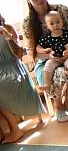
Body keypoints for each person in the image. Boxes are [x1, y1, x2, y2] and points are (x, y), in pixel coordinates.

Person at [0, 12, 44, 143]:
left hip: (14, 68)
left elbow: (19, 54)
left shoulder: (8, 28)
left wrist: (9, 38)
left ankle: (15, 129)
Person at [36, 11, 68, 98]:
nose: (55, 25)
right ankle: (47, 85)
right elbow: (37, 48)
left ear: (62, 22)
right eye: (52, 23)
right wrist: (44, 50)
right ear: (47, 26)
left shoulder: (67, 33)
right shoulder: (47, 38)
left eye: (58, 22)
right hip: (55, 59)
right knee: (48, 65)